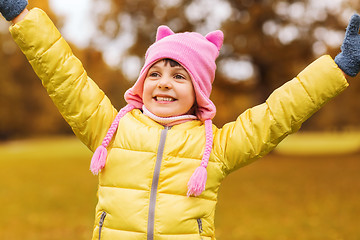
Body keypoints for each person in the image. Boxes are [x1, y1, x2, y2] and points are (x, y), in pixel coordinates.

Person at [1, 1, 359, 239]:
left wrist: (339, 68)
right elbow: (64, 77)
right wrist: (22, 16)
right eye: (155, 73)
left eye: (179, 75)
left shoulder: (215, 147)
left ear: (198, 90)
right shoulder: (110, 129)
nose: (164, 83)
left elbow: (277, 114)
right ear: (142, 82)